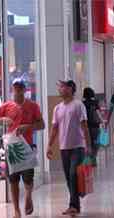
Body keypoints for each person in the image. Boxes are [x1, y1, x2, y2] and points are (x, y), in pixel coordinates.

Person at [0, 78, 45, 218]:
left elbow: (42, 125)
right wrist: (2, 120)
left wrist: (28, 127)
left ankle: (28, 196)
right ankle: (16, 210)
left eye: (20, 88)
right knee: (13, 180)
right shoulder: (6, 106)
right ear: (12, 89)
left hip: (27, 147)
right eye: (15, 88)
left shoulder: (33, 106)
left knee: (28, 179)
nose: (18, 91)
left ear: (25, 90)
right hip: (11, 148)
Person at [46, 80, 91, 216]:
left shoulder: (78, 105)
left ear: (70, 89)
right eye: (59, 87)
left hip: (78, 146)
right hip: (64, 147)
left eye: (63, 87)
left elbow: (84, 126)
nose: (60, 89)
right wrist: (49, 145)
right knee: (68, 177)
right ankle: (76, 201)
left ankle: (73, 205)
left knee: (72, 174)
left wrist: (88, 145)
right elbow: (54, 129)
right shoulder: (57, 108)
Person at [83, 87, 103, 165]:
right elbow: (98, 113)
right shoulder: (95, 102)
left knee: (88, 143)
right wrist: (102, 122)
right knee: (96, 143)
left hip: (85, 126)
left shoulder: (82, 103)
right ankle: (93, 157)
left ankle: (89, 159)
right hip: (95, 126)